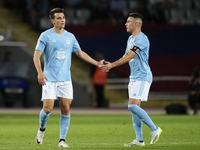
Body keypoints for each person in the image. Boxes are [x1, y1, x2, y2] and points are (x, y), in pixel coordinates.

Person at [33, 8, 103, 148]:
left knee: (66, 108)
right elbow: (36, 56)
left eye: (63, 17)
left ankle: (62, 140)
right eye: (58, 18)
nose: (62, 20)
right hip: (49, 79)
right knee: (47, 109)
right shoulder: (45, 36)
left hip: (65, 79)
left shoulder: (70, 37)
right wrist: (40, 72)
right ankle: (41, 129)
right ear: (52, 21)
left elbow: (80, 53)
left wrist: (96, 63)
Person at [101, 13, 162, 146]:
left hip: (142, 76)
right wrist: (111, 63)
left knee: (132, 106)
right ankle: (139, 140)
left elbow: (130, 56)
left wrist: (112, 65)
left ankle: (154, 128)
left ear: (136, 24)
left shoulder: (142, 39)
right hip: (134, 76)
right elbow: (126, 55)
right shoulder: (130, 39)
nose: (125, 23)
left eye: (128, 21)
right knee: (135, 108)